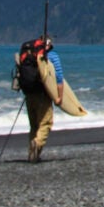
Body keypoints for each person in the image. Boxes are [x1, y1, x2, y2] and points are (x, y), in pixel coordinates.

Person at [14, 33, 68, 162]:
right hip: (43, 94)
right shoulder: (51, 56)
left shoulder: (27, 54)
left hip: (29, 92)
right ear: (49, 44)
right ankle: (37, 144)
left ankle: (32, 154)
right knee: (46, 123)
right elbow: (59, 78)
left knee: (34, 125)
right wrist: (59, 98)